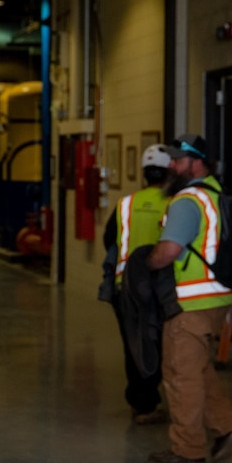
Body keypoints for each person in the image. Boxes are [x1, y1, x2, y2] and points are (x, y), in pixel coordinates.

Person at [145, 139, 232, 463]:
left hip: (191, 302)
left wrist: (148, 263)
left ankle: (188, 450)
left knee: (180, 372)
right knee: (199, 366)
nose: (172, 166)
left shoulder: (187, 201)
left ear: (198, 163)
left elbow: (169, 251)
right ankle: (225, 426)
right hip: (217, 297)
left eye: (179, 160)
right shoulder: (214, 195)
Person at [101, 143, 174, 423]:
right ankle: (153, 400)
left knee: (133, 345)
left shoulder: (125, 204)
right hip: (160, 289)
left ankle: (142, 404)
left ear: (144, 173)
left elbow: (109, 239)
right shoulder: (175, 203)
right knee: (160, 343)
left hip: (126, 288)